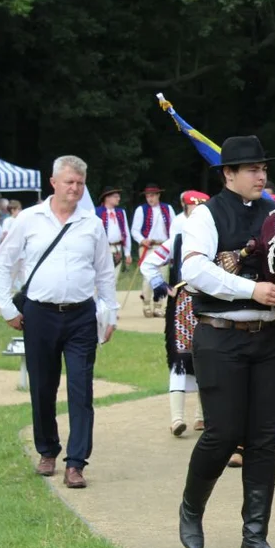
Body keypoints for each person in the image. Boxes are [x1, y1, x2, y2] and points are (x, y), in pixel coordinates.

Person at [177, 135, 275, 548]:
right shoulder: (205, 215)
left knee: (264, 439)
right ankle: (192, 508)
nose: (261, 175)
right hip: (220, 336)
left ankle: (254, 535)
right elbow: (195, 270)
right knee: (222, 433)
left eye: (263, 168)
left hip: (270, 338)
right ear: (228, 174)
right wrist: (250, 290)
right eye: (252, 169)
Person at [0, 155, 119, 490]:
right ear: (54, 183)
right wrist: (6, 307)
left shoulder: (92, 223)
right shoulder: (29, 219)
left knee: (81, 390)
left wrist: (111, 312)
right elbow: (2, 263)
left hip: (80, 316)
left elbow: (105, 273)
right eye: (69, 182)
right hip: (39, 314)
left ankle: (76, 463)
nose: (75, 189)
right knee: (43, 388)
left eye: (80, 183)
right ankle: (47, 450)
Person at [140, 190, 211, 436]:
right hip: (182, 307)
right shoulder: (177, 241)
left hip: (210, 306)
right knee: (181, 360)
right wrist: (161, 287)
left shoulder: (217, 239)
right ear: (187, 212)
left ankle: (202, 416)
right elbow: (149, 263)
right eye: (194, 210)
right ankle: (177, 418)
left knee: (210, 357)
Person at [132, 183, 176, 317]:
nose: (149, 199)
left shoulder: (168, 208)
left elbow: (174, 228)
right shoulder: (141, 210)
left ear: (158, 195)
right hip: (148, 247)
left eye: (152, 196)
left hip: (163, 246)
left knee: (162, 276)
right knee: (148, 276)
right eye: (147, 196)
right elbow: (135, 230)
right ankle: (146, 304)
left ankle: (158, 306)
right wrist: (142, 240)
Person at [96, 187, 132, 286]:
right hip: (103, 249)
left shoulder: (120, 212)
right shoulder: (96, 212)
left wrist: (127, 253)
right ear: (107, 198)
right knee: (101, 278)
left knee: (114, 278)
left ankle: (110, 301)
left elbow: (126, 233)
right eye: (116, 196)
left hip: (117, 249)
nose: (119, 198)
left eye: (118, 196)